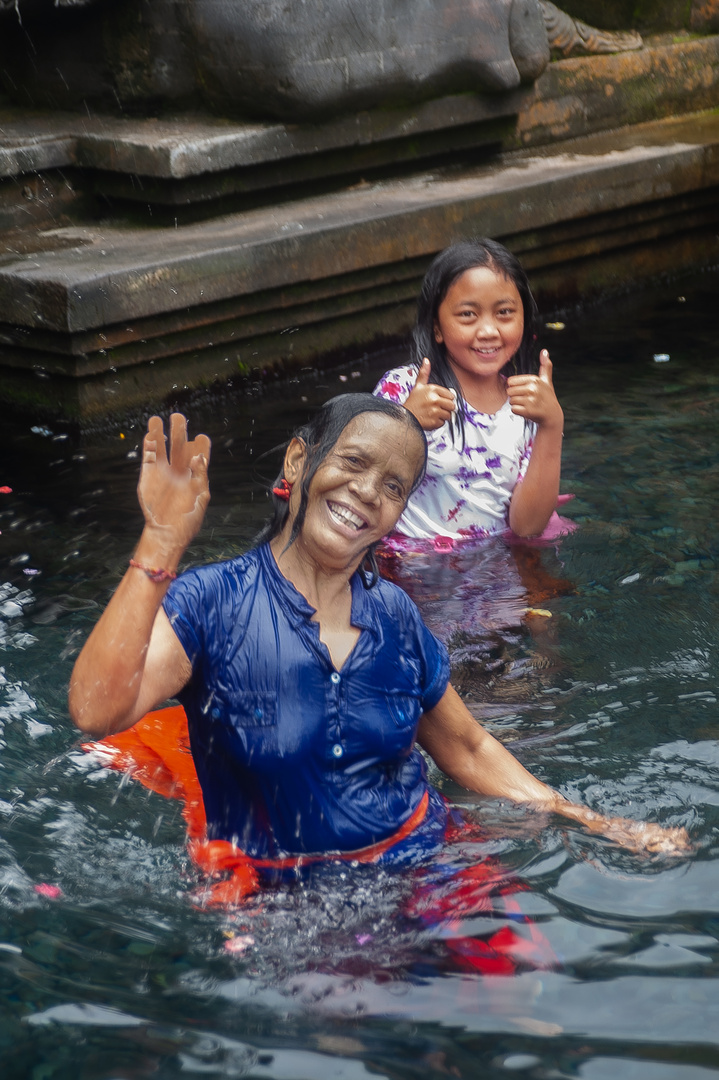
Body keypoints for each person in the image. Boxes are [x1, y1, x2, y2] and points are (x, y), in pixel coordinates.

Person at [69, 397, 687, 879]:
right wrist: (162, 540)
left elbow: (467, 746)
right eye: (353, 462)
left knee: (531, 1011)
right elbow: (96, 710)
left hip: (428, 864)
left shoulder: (393, 613)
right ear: (298, 460)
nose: (367, 492)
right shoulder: (213, 601)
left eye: (394, 487)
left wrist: (594, 821)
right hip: (283, 898)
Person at [374, 238, 567, 543]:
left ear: (524, 319)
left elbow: (526, 527)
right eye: (468, 314)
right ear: (436, 327)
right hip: (410, 566)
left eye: (504, 312)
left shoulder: (526, 405)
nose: (488, 331)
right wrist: (405, 421)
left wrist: (552, 423)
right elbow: (358, 478)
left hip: (491, 569)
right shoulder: (405, 387)